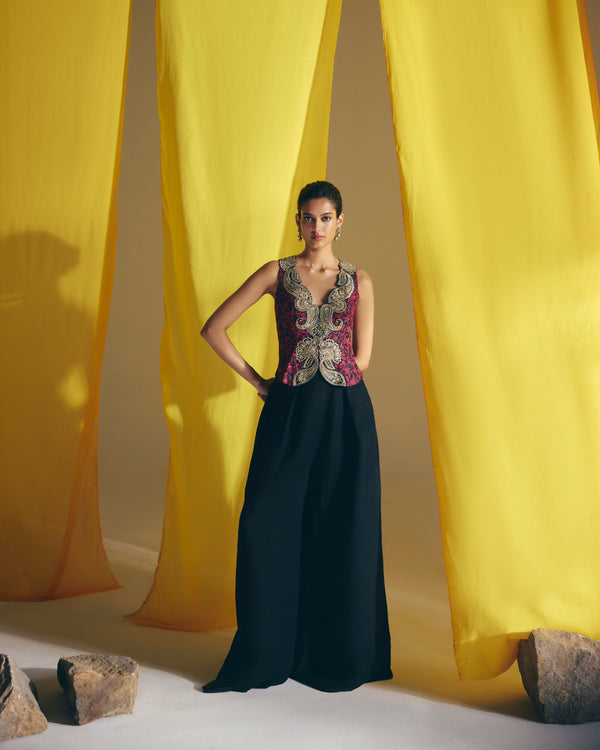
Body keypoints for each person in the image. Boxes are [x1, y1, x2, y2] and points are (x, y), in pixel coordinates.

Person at [200, 180, 392, 693]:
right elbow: (214, 328)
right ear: (298, 221)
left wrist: (327, 369)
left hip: (346, 416)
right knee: (265, 523)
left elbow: (362, 358)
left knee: (341, 526)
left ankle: (334, 654)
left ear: (340, 222)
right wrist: (259, 381)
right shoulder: (276, 273)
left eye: (325, 218)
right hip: (288, 413)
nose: (316, 227)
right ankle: (267, 653)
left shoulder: (359, 280)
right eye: (308, 217)